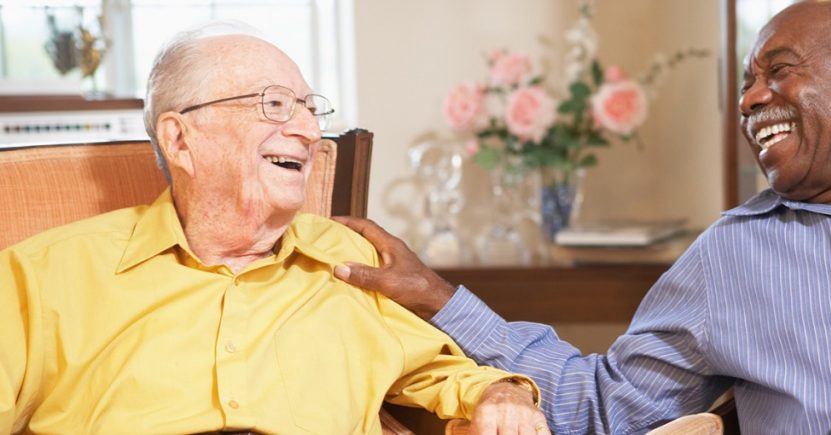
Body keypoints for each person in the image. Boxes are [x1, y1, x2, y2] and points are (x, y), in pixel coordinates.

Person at [331, 1, 831, 434]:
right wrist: (440, 298)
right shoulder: (728, 257)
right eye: (747, 82)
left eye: (777, 71)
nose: (752, 100)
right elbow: (603, 404)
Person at [0, 26, 549, 434]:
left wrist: (502, 393)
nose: (311, 131)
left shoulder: (349, 260)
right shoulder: (42, 275)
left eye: (311, 109)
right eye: (275, 105)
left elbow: (446, 374)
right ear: (182, 139)